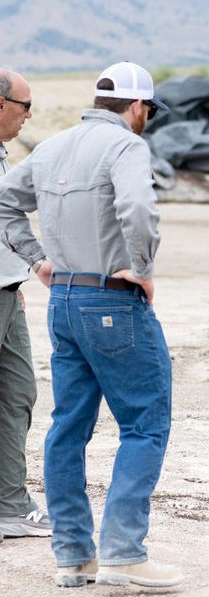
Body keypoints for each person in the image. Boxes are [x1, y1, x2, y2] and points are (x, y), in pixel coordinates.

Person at [0, 62, 182, 588]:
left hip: (64, 303)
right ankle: (124, 552)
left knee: (68, 429)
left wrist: (37, 260)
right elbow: (137, 209)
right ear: (138, 107)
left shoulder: (53, 146)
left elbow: (4, 202)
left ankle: (73, 556)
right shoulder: (127, 146)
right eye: (148, 110)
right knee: (145, 423)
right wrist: (142, 268)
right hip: (113, 299)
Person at [0, 69, 52, 541]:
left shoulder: (2, 157)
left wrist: (17, 273)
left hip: (7, 292)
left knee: (17, 394)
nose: (28, 114)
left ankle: (10, 505)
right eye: (23, 105)